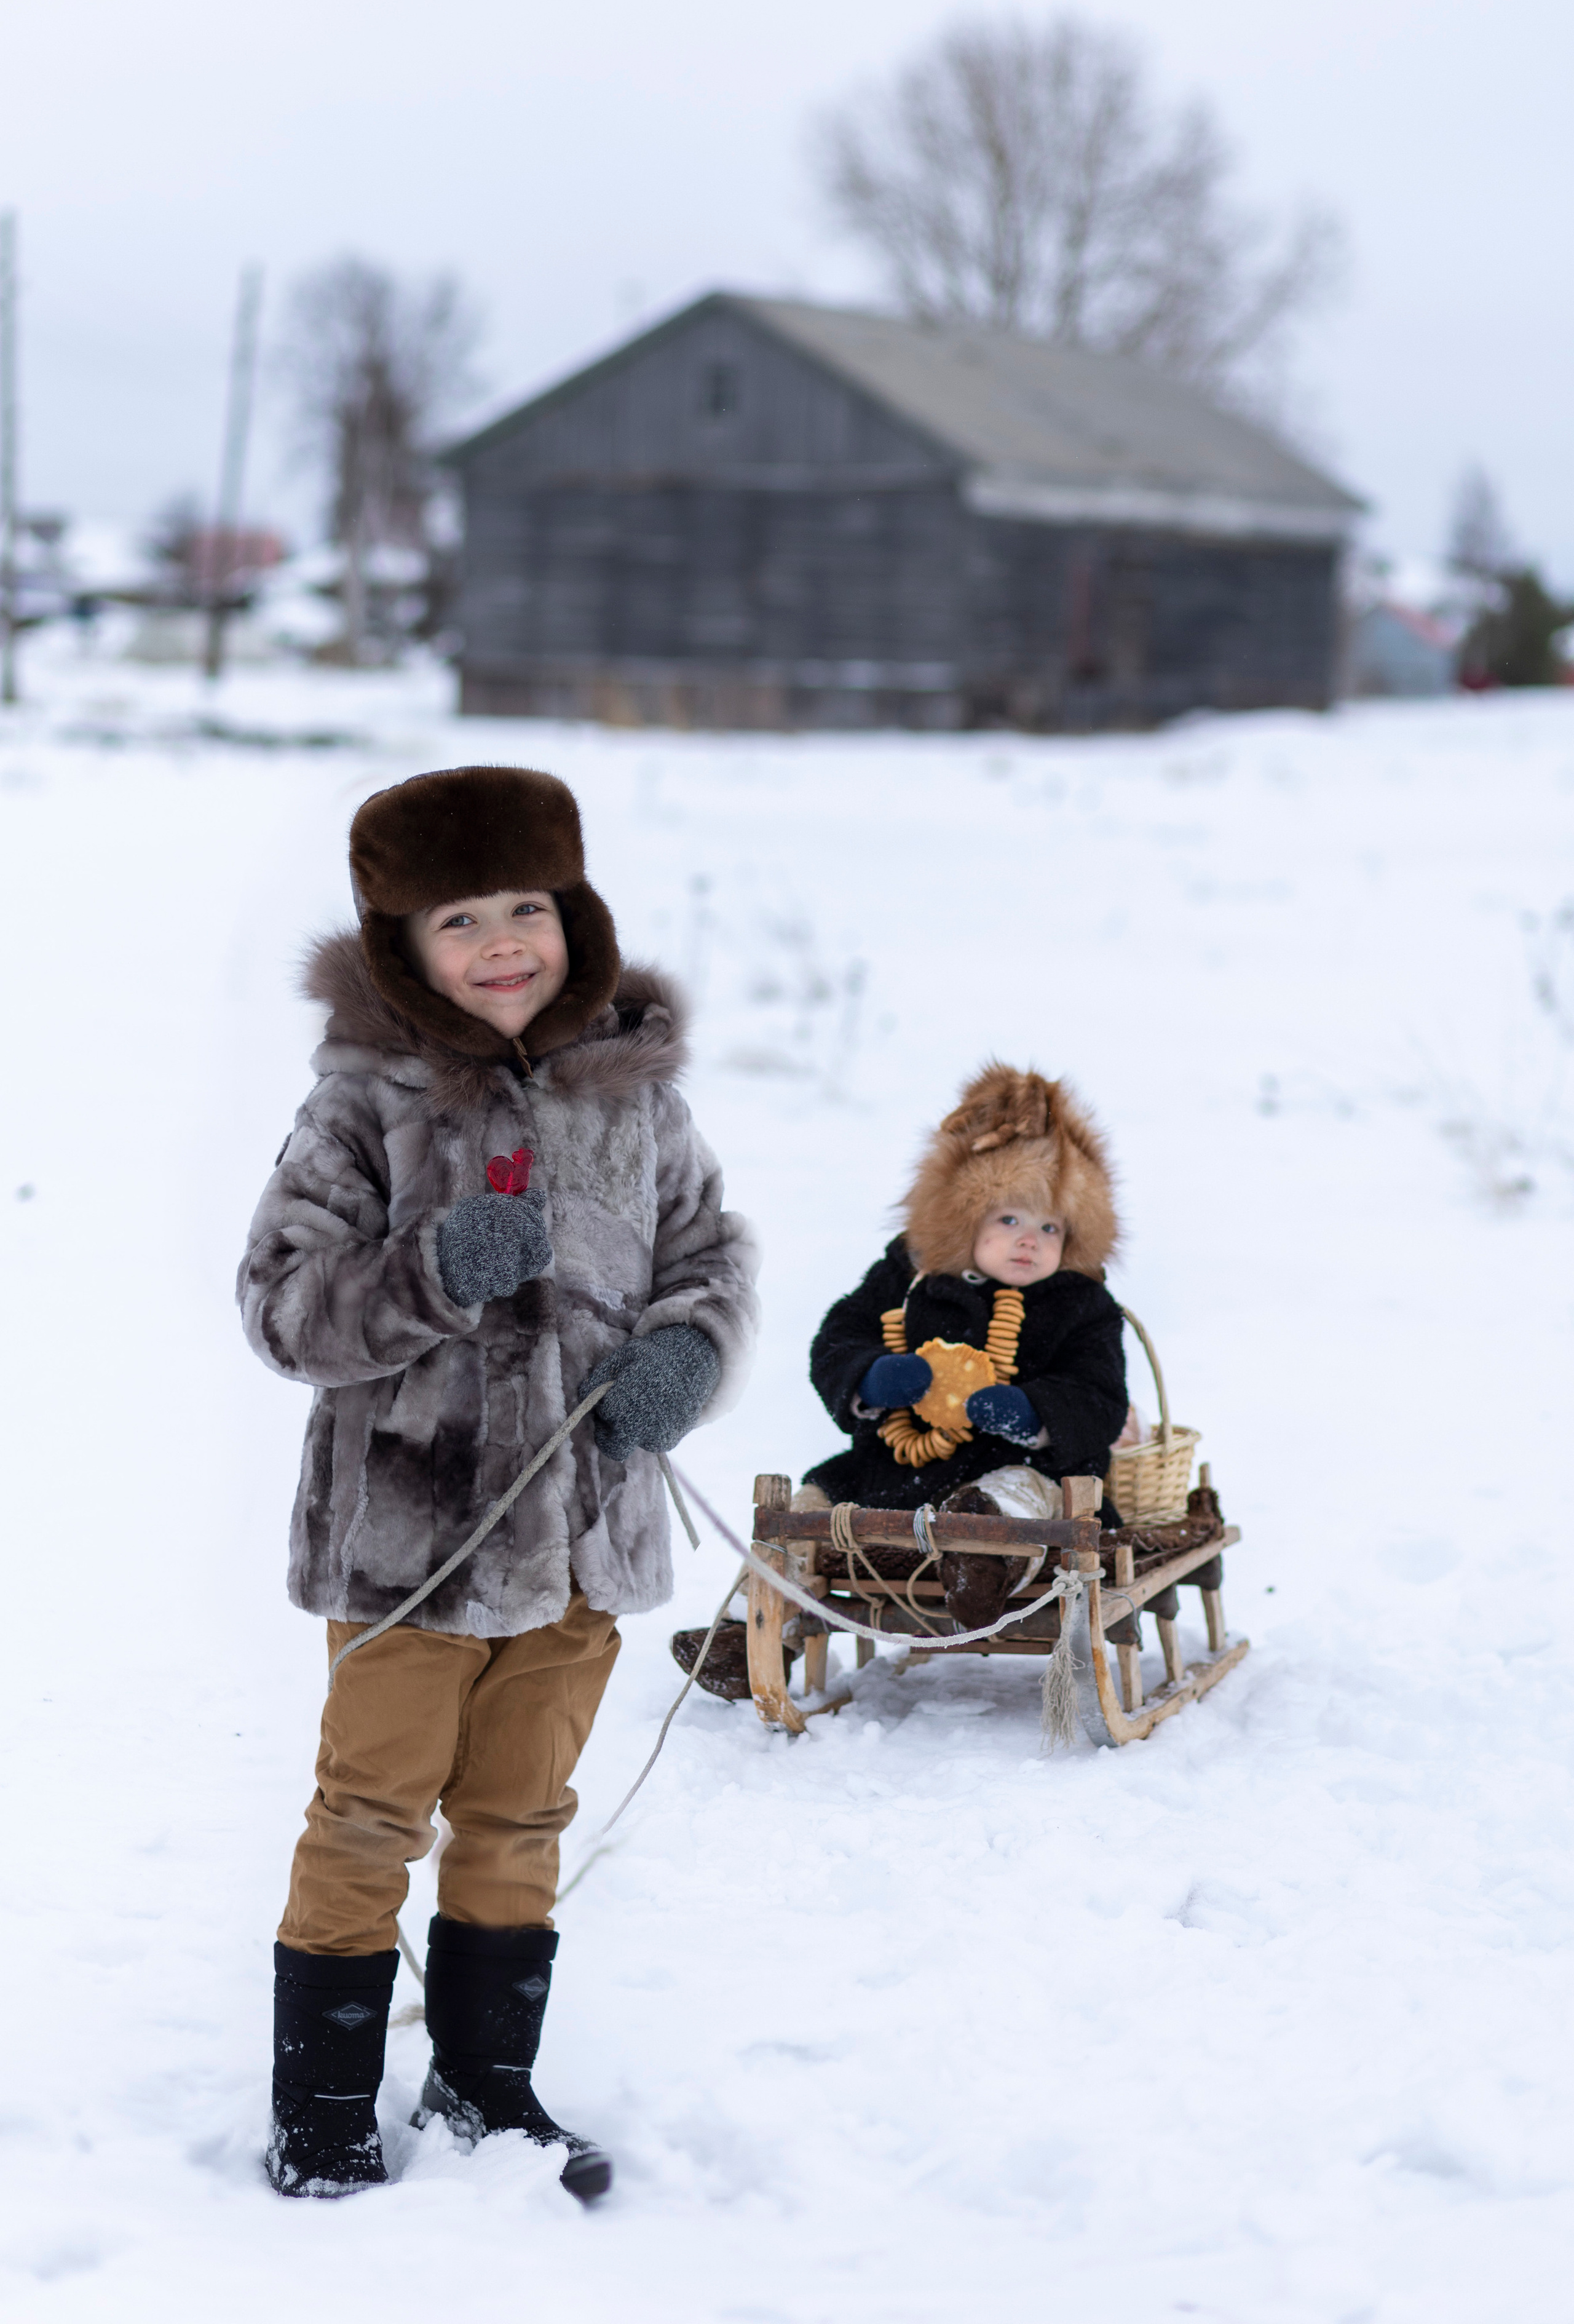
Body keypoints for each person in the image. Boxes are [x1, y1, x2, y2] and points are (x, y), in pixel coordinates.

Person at [238, 766, 757, 2202]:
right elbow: (282, 1306)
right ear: (403, 944)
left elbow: (709, 1251)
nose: (501, 943)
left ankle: (486, 2086)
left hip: (584, 1532)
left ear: (571, 913)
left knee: (521, 1813)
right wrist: (429, 1271)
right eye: (459, 919)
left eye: (525, 907)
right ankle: (325, 2109)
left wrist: (685, 1354)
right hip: (416, 1539)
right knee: (368, 1816)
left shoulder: (632, 1091)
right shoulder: (361, 1102)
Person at [801, 1063, 1127, 1630]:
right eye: (1009, 1218)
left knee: (1016, 1498)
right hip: (895, 1472)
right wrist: (871, 1378)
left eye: (1050, 1228)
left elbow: (1100, 1394)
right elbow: (839, 1337)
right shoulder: (909, 1279)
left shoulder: (1082, 1303)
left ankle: (982, 1567)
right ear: (964, 1219)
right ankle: (751, 1619)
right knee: (811, 1503)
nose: (1030, 1239)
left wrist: (1036, 1414)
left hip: (1025, 1468)